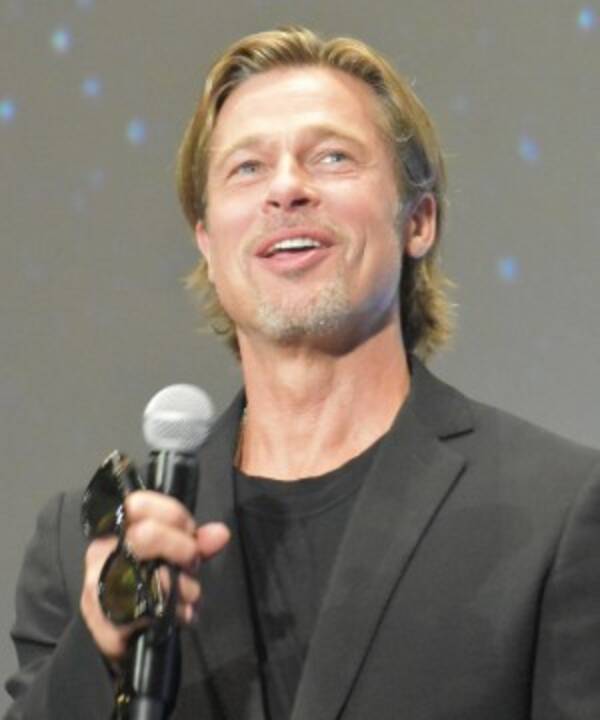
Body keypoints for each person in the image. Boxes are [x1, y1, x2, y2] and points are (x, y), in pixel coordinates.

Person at [6, 25, 600, 720]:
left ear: (418, 221)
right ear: (207, 241)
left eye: (332, 157)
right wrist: (99, 650)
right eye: (247, 168)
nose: (286, 188)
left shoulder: (557, 512)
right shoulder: (92, 549)